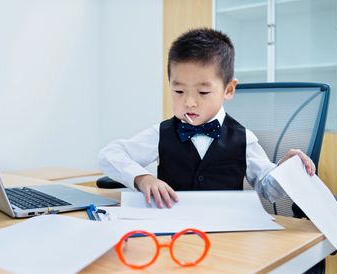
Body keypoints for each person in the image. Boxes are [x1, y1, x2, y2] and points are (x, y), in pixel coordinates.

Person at [98, 28, 315, 209]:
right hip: (173, 230)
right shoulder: (161, 133)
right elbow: (109, 155)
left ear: (228, 90)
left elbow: (269, 191)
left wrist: (285, 170)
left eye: (202, 93)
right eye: (179, 91)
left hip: (228, 235)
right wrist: (142, 178)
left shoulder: (244, 139)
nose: (189, 102)